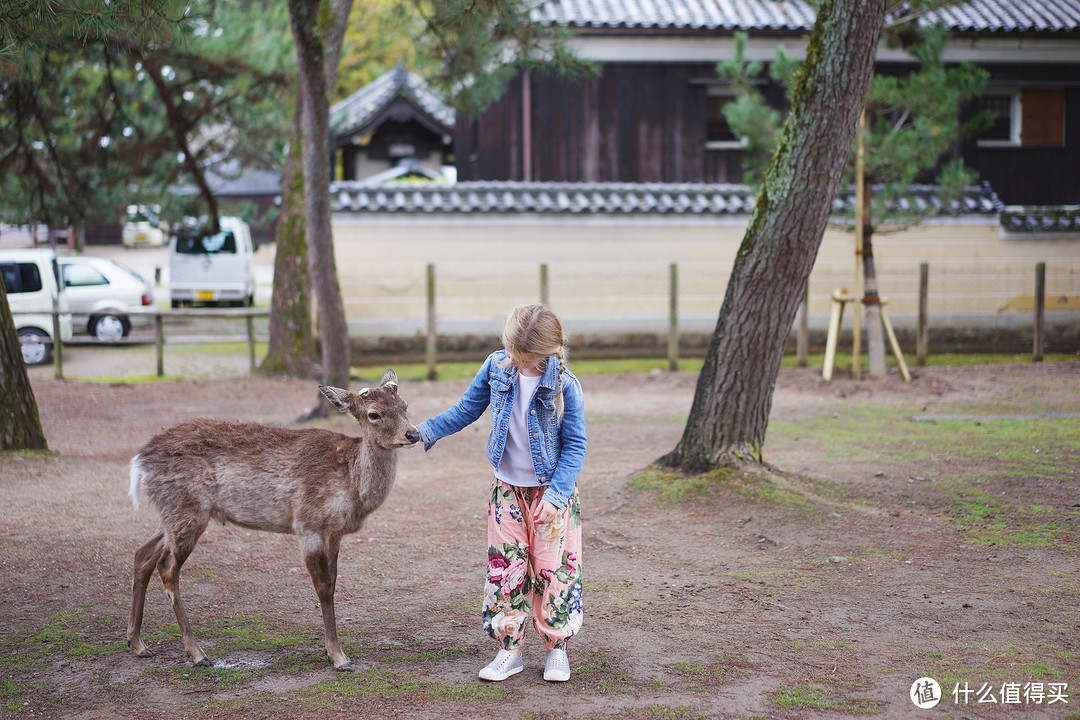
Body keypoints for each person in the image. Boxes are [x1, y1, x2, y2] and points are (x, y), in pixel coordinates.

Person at [416, 304, 587, 682]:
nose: (510, 357)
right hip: (506, 491)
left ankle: (557, 650)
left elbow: (575, 445)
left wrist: (557, 497)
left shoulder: (565, 385)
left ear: (545, 353)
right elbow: (465, 410)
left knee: (551, 570)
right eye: (508, 347)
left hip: (550, 494)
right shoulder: (495, 368)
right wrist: (425, 431)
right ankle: (509, 650)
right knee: (506, 569)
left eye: (520, 354)